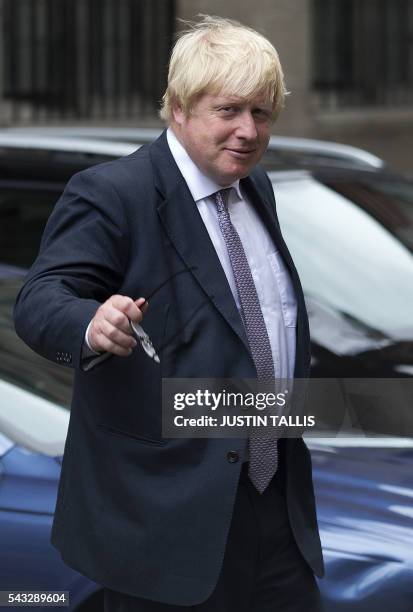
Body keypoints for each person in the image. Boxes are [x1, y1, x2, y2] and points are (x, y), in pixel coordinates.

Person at [14, 15, 324, 612]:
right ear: (179, 109)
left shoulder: (257, 190)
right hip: (165, 524)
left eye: (261, 113)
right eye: (228, 110)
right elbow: (41, 298)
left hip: (276, 508)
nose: (247, 130)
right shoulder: (114, 192)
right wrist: (92, 323)